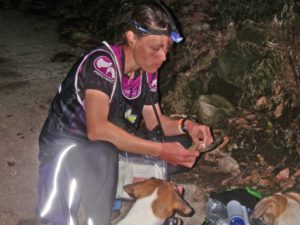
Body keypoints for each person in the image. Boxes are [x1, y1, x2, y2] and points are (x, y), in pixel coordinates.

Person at [36, 2, 213, 225]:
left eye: (167, 48)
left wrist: (188, 125)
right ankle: (98, 218)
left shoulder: (147, 72)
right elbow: (97, 130)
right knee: (102, 152)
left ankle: (119, 189)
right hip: (66, 149)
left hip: (110, 146)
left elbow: (155, 122)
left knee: (184, 144)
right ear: (131, 37)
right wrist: (159, 150)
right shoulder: (102, 63)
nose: (163, 57)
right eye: (156, 48)